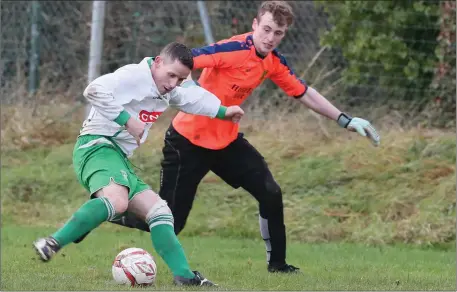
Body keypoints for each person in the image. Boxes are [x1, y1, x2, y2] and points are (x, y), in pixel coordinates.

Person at [76, 0, 380, 274]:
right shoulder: (232, 49)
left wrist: (345, 119)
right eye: (267, 29)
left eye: (279, 33)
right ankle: (108, 210)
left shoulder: (273, 61)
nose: (271, 37)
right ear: (255, 25)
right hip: (187, 143)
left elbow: (303, 92)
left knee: (271, 193)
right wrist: (192, 92)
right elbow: (188, 62)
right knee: (172, 222)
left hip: (227, 143)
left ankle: (278, 266)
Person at [32, 42, 245, 286]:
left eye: (180, 78)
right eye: (171, 75)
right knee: (118, 201)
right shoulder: (134, 76)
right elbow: (94, 90)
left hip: (118, 157)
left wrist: (223, 111)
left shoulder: (168, 88)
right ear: (157, 63)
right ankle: (51, 243)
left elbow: (192, 97)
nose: (174, 83)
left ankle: (185, 277)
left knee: (160, 212)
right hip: (96, 146)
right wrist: (127, 121)